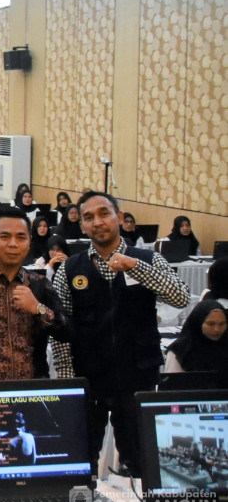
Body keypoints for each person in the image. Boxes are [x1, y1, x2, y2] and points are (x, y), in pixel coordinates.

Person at [52, 192, 190, 477]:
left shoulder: (148, 258)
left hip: (136, 377)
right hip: (89, 379)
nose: (97, 222)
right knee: (80, 461)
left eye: (104, 214)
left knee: (141, 461)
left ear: (119, 217)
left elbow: (180, 297)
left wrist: (135, 267)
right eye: (88, 217)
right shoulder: (69, 269)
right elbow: (61, 330)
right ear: (82, 226)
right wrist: (69, 382)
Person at [0, 207, 69, 381]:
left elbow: (67, 331)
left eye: (21, 237)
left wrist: (38, 308)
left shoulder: (40, 284)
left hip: (34, 392)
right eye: (4, 236)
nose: (13, 244)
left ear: (29, 241)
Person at [163, 299, 228, 380]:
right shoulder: (181, 350)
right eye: (211, 324)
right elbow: (173, 385)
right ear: (199, 322)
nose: (217, 329)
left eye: (222, 324)